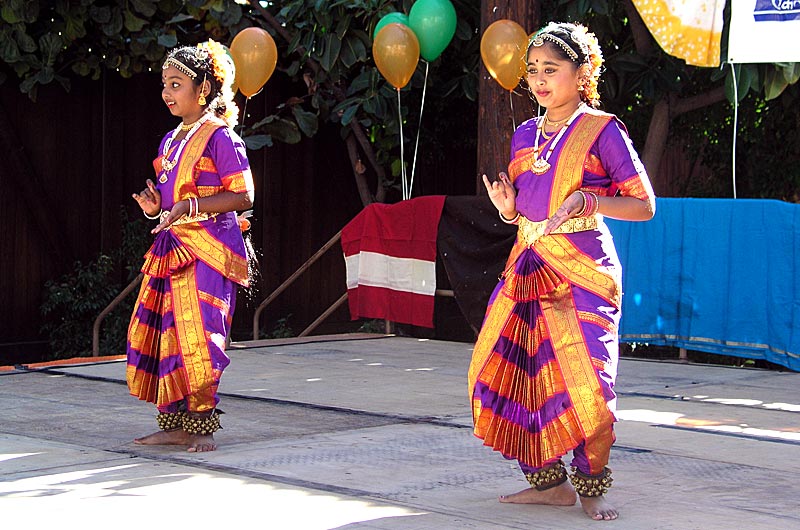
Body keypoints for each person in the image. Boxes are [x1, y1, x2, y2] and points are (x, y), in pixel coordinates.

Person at [469, 22, 656, 521]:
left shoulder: (603, 129)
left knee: (589, 383)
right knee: (518, 375)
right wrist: (509, 209)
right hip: (527, 268)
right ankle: (549, 484)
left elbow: (644, 205)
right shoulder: (525, 135)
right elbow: (526, 207)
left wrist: (590, 198)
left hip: (583, 272)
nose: (539, 80)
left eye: (551, 69)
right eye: (533, 70)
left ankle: (592, 487)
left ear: (583, 72)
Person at [127, 39, 254, 452]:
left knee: (199, 335)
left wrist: (189, 204)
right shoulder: (169, 141)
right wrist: (155, 209)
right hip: (171, 249)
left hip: (210, 250)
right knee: (167, 336)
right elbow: (171, 203)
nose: (167, 92)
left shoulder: (220, 136)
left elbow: (244, 195)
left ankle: (201, 424)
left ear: (202, 89)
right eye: (164, 83)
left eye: (176, 83)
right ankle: (175, 423)